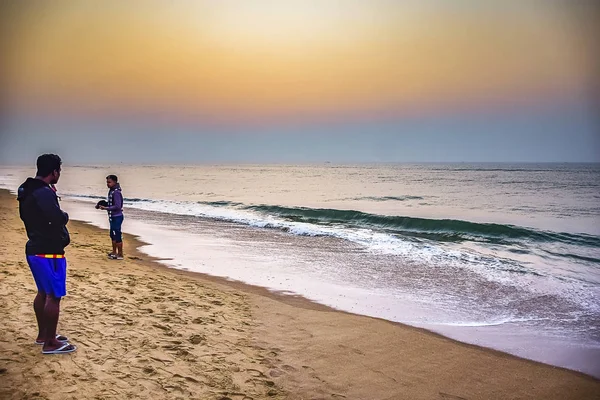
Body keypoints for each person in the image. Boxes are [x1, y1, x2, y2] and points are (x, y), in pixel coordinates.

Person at [17, 154, 76, 354]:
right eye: (59, 171)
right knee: (54, 296)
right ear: (54, 172)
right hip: (49, 251)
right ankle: (50, 342)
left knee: (43, 293)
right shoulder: (43, 193)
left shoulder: (27, 189)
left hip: (34, 247)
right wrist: (64, 215)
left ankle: (44, 335)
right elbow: (56, 217)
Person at [99, 174, 124, 260]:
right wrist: (101, 204)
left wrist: (106, 208)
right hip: (112, 216)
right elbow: (111, 203)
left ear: (114, 182)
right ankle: (114, 252)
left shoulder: (116, 192)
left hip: (117, 217)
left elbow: (117, 206)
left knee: (117, 234)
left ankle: (120, 254)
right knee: (112, 234)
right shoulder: (111, 191)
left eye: (109, 182)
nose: (107, 184)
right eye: (107, 182)